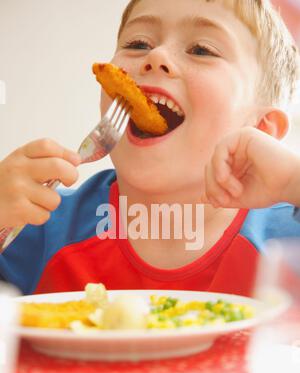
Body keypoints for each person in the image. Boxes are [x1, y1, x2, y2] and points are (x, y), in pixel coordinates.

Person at [0, 0, 299, 297]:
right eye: (138, 43)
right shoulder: (38, 224)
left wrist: (293, 181)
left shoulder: (285, 241)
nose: (156, 56)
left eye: (201, 50)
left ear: (262, 129)